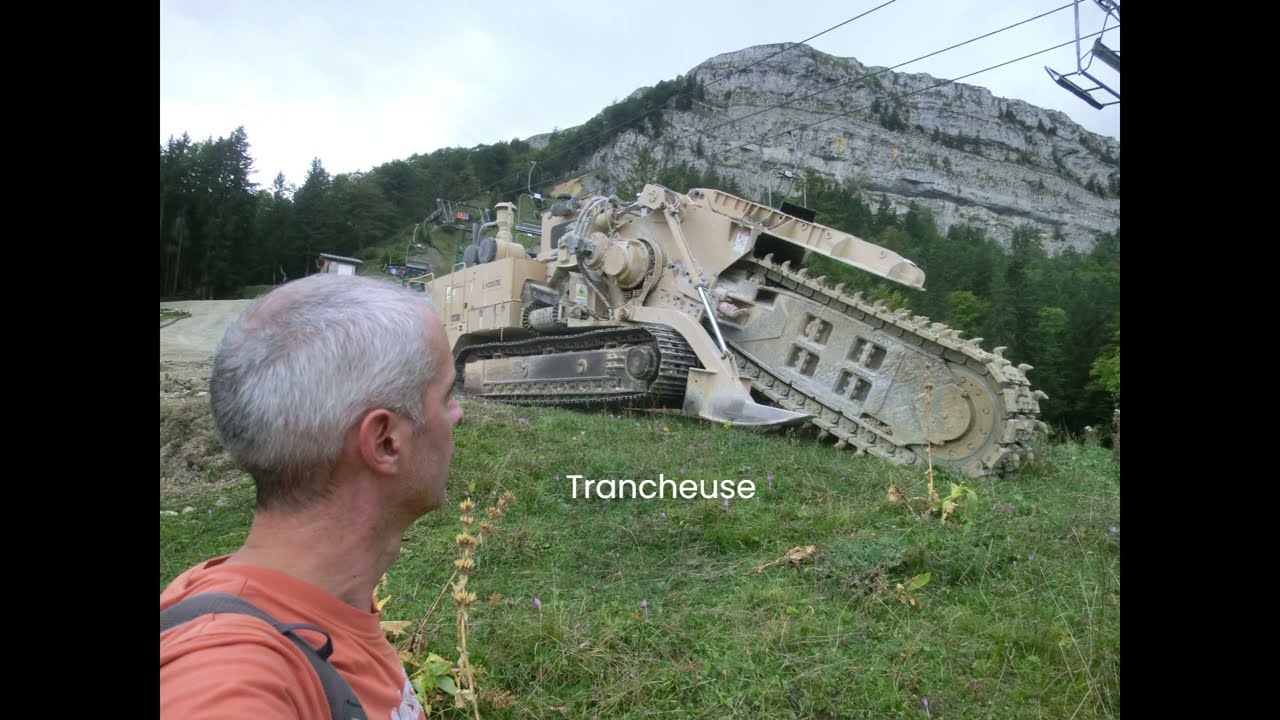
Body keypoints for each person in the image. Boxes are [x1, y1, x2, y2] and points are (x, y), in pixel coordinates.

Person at [160, 274, 463, 719]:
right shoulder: (232, 669)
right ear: (384, 442)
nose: (458, 416)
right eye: (446, 396)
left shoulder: (328, 600)